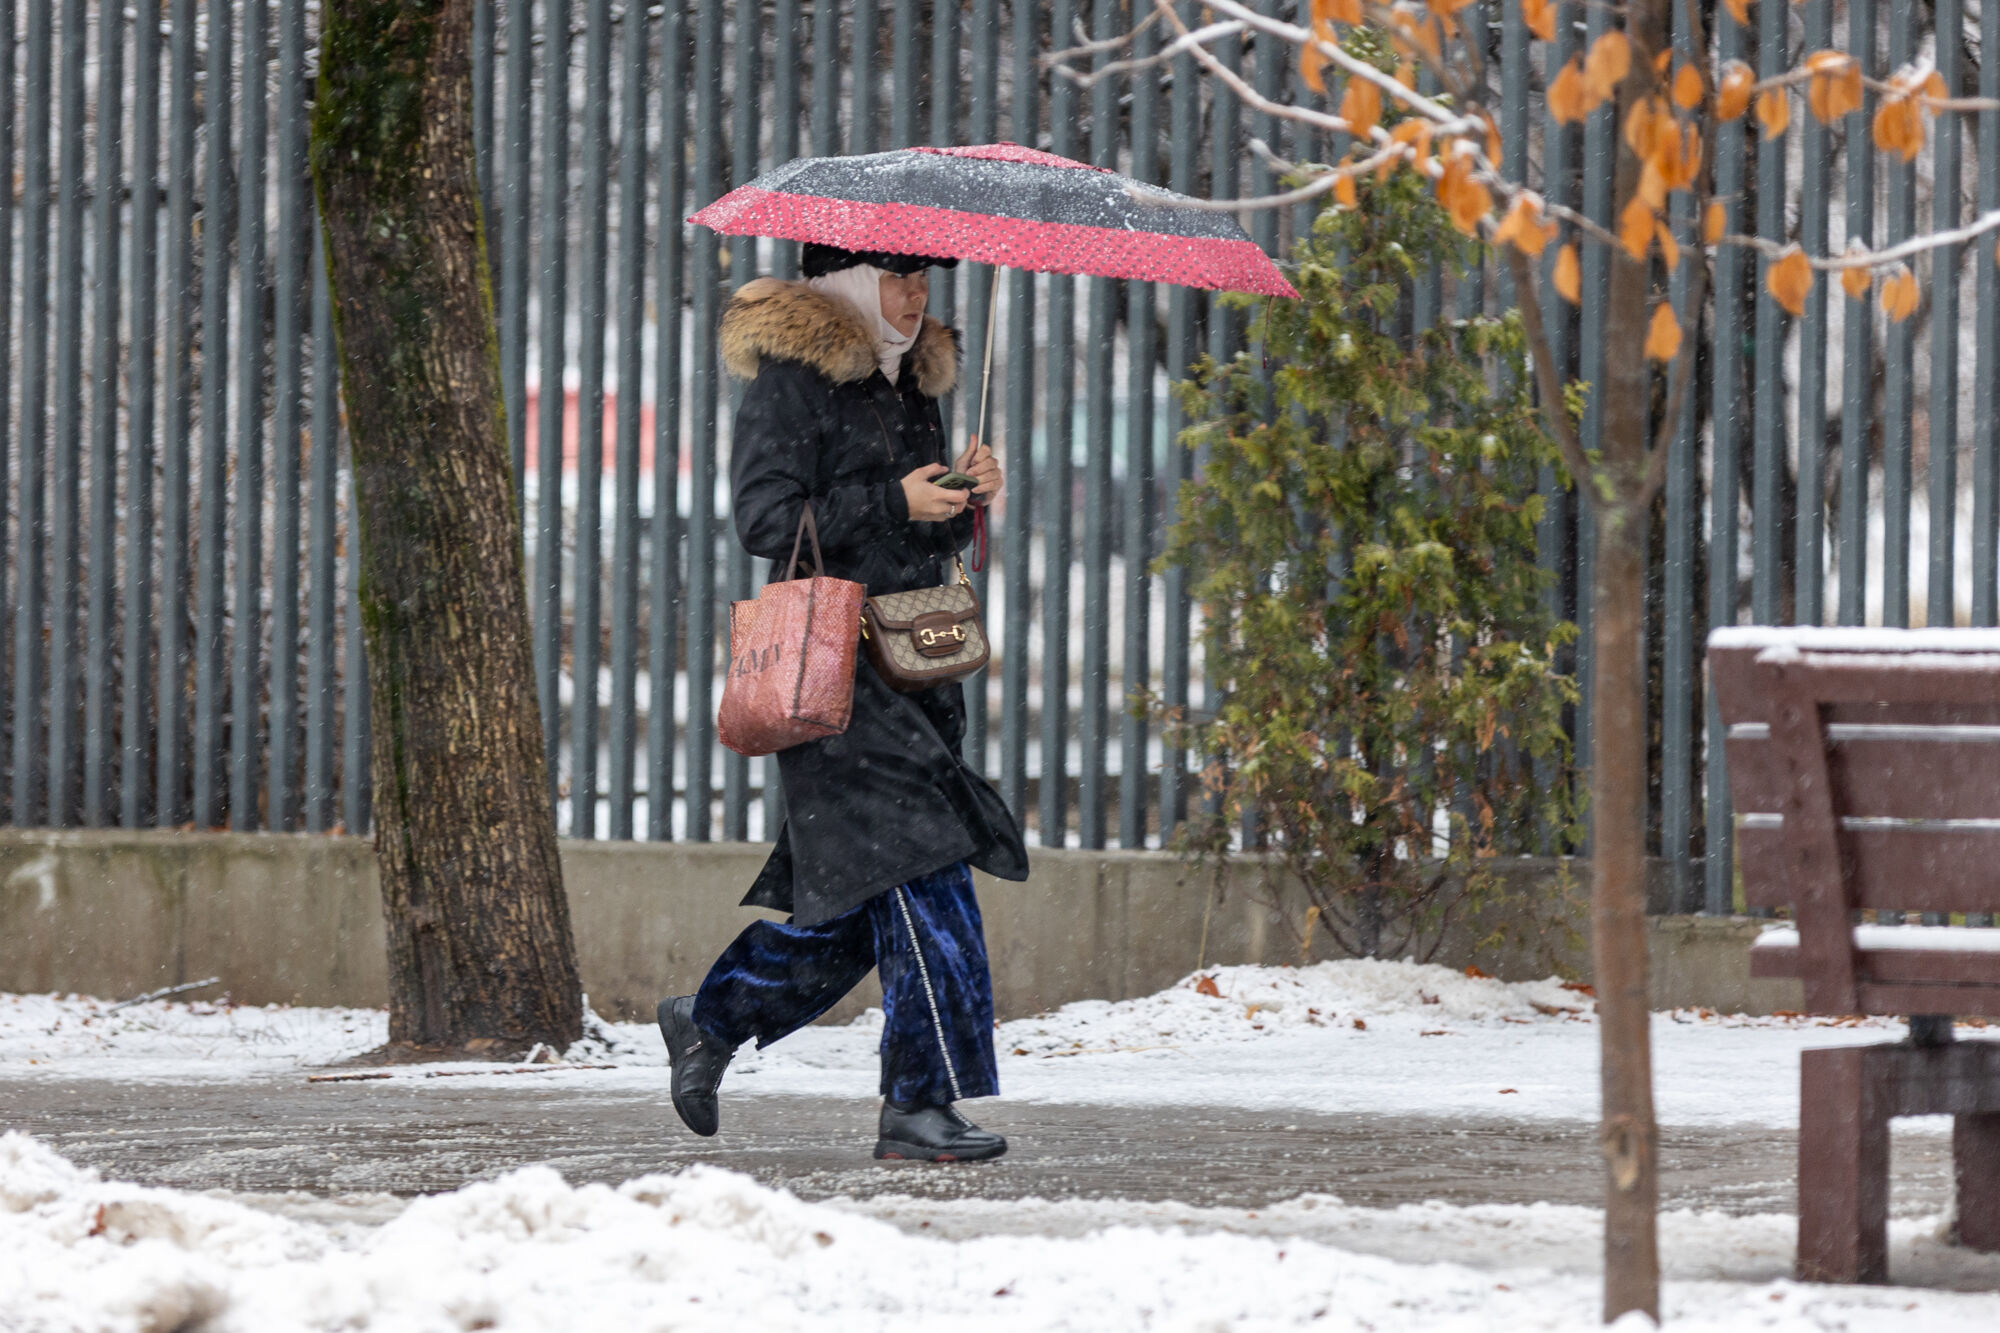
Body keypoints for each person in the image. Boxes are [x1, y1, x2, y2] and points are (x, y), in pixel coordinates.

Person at [656, 242, 1029, 1163]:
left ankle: (710, 1017)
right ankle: (918, 1104)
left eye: (925, 282)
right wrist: (894, 502)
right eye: (898, 279)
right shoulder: (795, 378)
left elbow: (921, 527)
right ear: (848, 283)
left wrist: (968, 495)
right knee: (928, 877)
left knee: (862, 911)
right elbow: (765, 519)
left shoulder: (913, 385)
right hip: (832, 682)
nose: (915, 298)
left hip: (914, 669)